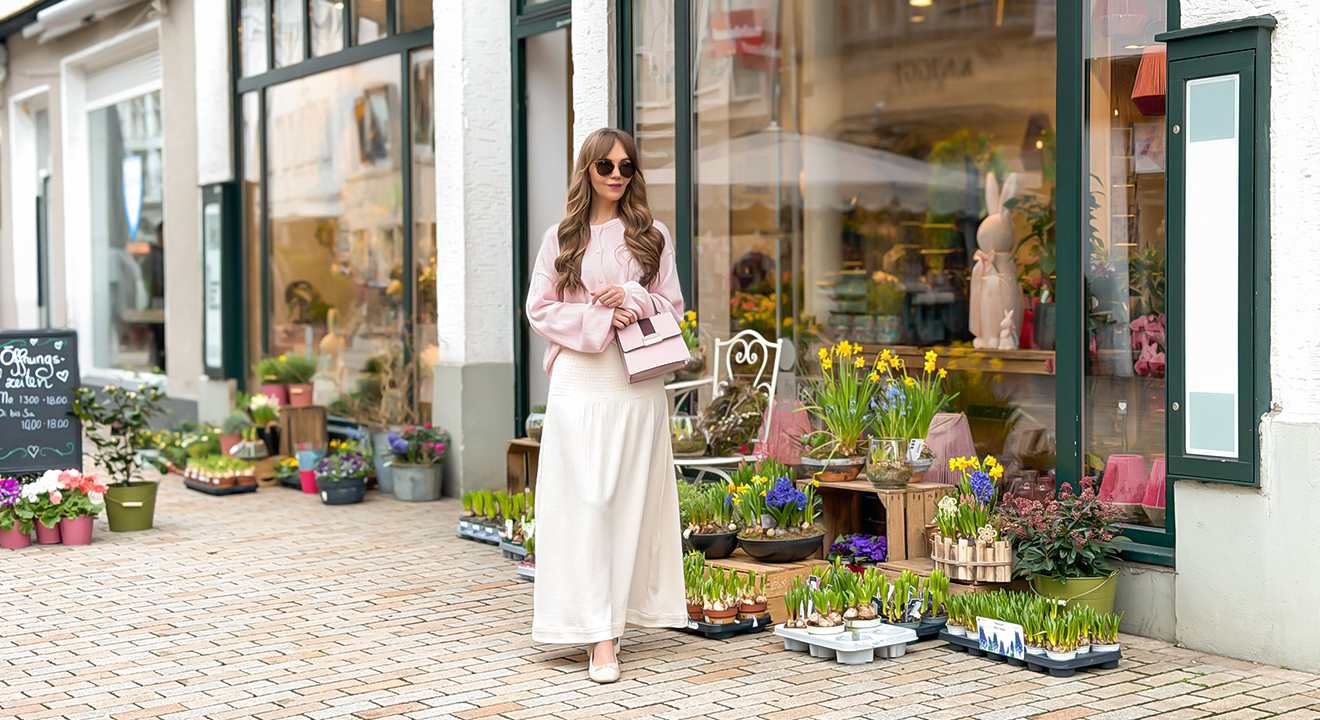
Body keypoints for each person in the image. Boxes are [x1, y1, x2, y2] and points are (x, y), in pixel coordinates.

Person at [525, 128, 687, 683]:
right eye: (606, 167)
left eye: (626, 168)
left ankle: (609, 630)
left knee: (627, 505)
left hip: (635, 383)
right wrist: (598, 318)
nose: (617, 176)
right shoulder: (561, 238)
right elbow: (538, 308)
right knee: (585, 503)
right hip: (579, 380)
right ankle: (592, 631)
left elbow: (675, 307)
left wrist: (633, 298)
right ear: (587, 171)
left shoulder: (652, 236)